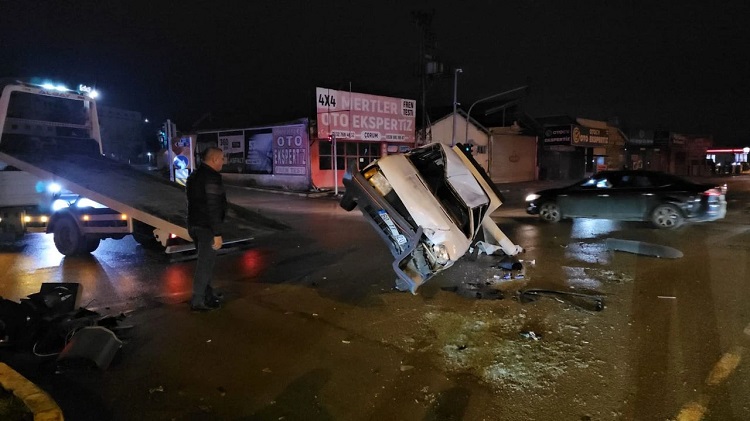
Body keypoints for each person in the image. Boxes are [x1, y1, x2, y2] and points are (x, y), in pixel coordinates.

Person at [186, 146, 227, 312]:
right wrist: (217, 233)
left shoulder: (194, 176)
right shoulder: (211, 178)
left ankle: (208, 295)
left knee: (207, 262)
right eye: (222, 159)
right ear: (215, 159)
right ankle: (198, 301)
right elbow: (213, 207)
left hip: (194, 224)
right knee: (205, 264)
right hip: (206, 227)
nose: (223, 162)